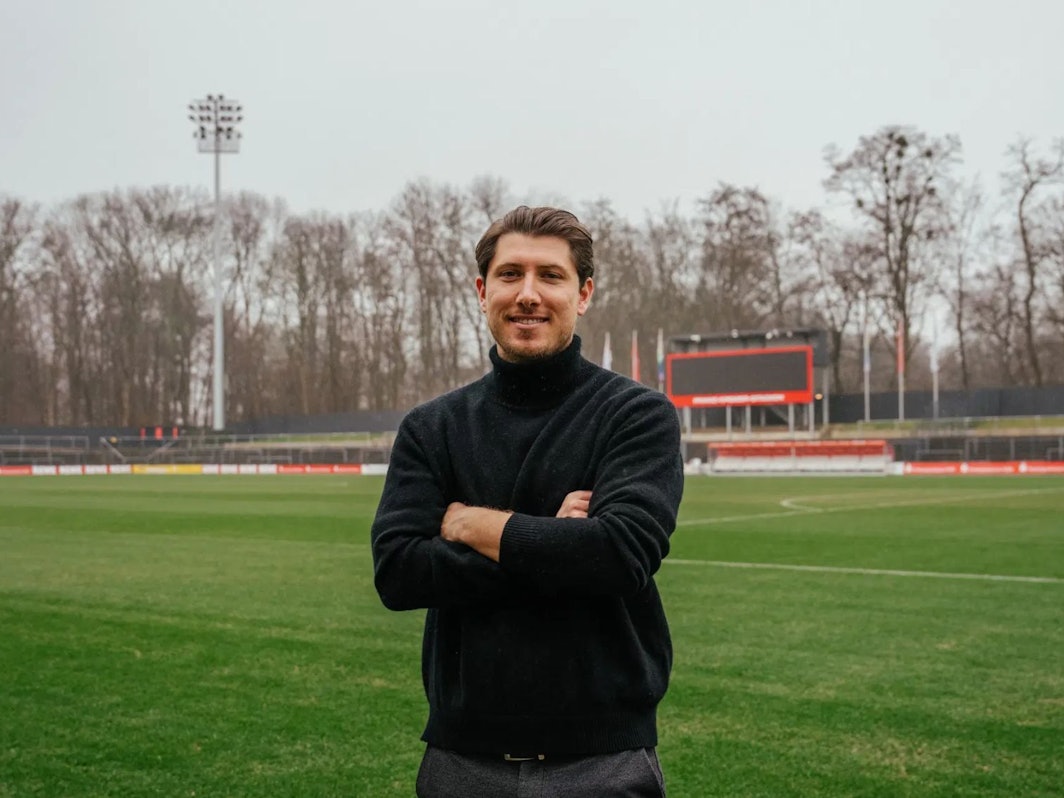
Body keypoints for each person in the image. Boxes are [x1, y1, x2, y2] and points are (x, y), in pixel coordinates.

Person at [370, 205, 684, 797]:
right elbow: (399, 572)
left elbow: (618, 555)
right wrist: (550, 539)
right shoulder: (431, 428)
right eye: (511, 274)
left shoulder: (636, 415)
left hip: (603, 762)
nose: (529, 294)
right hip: (461, 760)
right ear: (482, 289)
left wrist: (468, 524)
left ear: (584, 293)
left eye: (551, 276)